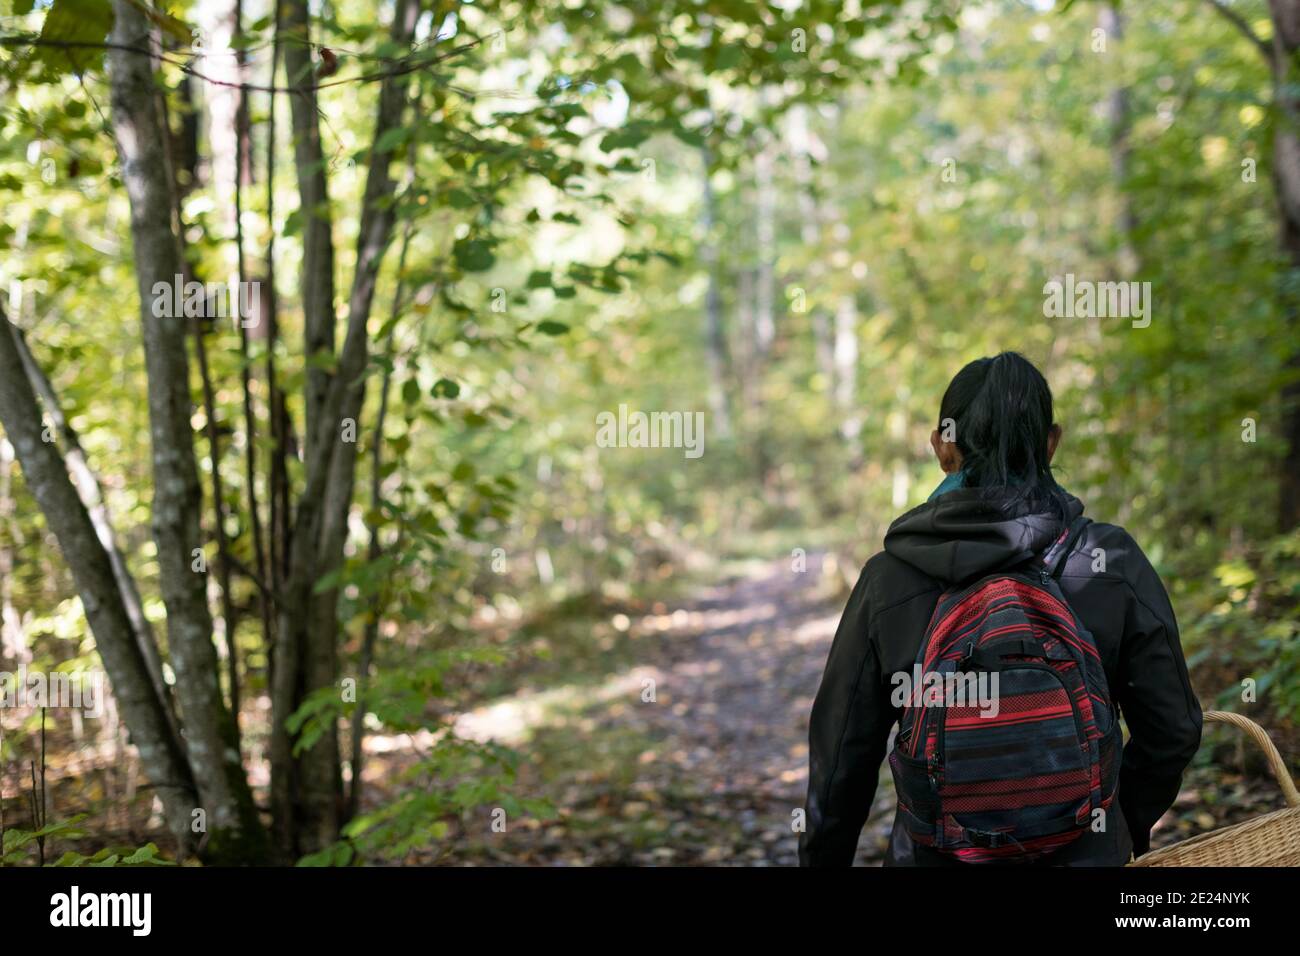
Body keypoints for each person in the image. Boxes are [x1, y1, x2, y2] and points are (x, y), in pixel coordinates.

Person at [799, 351, 1203, 866]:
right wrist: (1115, 823)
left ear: (943, 447)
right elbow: (1174, 731)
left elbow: (840, 761)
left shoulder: (888, 579)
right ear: (1051, 442)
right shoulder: (1111, 561)